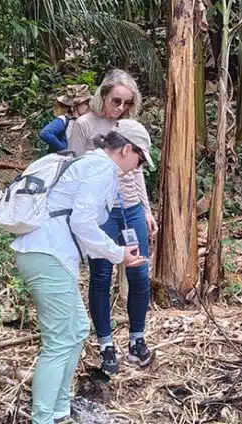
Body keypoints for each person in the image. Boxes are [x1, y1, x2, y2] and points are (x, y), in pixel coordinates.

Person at [11, 124, 150, 424]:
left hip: (49, 255)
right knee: (60, 341)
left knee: (76, 331)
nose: (136, 169)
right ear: (127, 150)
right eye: (139, 161)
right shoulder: (101, 169)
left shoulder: (93, 164)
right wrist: (118, 255)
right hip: (46, 254)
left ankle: (60, 411)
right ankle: (43, 418)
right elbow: (83, 223)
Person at [68, 70, 158, 373]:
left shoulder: (129, 126)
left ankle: (137, 340)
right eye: (115, 101)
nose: (119, 108)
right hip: (102, 212)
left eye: (126, 103)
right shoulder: (84, 126)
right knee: (102, 275)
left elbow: (137, 171)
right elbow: (74, 167)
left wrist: (146, 209)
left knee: (139, 273)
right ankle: (106, 345)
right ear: (102, 95)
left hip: (130, 207)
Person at [39, 84, 92, 153]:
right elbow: (46, 133)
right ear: (75, 106)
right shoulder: (64, 120)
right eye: (86, 103)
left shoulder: (86, 122)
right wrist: (64, 150)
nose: (89, 106)